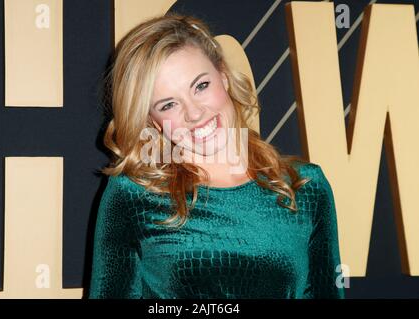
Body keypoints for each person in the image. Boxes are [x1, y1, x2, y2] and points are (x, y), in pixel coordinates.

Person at [88, 12, 345, 299]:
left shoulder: (306, 186)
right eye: (168, 104)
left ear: (223, 76)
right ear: (152, 121)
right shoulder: (133, 194)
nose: (194, 113)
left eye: (201, 86)